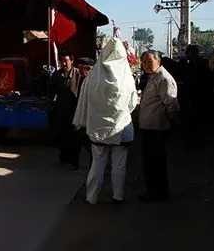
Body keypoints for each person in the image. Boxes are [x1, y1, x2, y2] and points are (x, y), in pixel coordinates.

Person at [74, 39, 138, 204]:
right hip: (121, 129)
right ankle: (118, 196)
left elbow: (84, 101)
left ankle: (91, 197)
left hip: (98, 129)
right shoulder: (127, 78)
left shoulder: (92, 77)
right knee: (119, 165)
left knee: (97, 164)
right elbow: (132, 104)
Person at [139, 50, 180, 202]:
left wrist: (171, 123)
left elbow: (171, 104)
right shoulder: (153, 77)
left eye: (149, 61)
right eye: (143, 62)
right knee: (150, 162)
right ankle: (153, 191)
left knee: (156, 163)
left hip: (157, 128)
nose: (145, 65)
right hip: (149, 128)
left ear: (158, 61)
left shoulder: (163, 78)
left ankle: (158, 193)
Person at [51, 52, 81, 170]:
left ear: (72, 61)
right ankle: (64, 157)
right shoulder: (57, 75)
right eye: (62, 61)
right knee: (62, 134)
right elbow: (52, 90)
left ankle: (74, 161)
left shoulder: (78, 74)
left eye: (66, 61)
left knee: (74, 136)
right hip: (61, 110)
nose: (64, 63)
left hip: (74, 110)